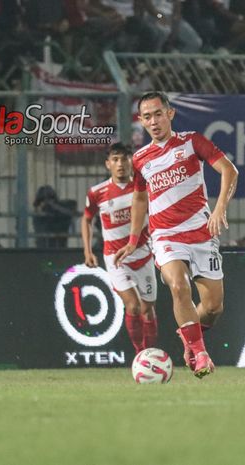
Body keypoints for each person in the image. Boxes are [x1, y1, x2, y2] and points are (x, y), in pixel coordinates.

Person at [115, 91, 239, 378]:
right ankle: (200, 352)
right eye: (147, 117)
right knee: (179, 286)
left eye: (158, 114)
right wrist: (134, 239)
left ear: (170, 114)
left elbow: (229, 171)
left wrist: (220, 208)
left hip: (201, 233)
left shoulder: (192, 141)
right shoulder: (140, 159)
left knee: (213, 307)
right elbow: (140, 199)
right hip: (166, 236)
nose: (154, 121)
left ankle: (188, 337)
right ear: (141, 121)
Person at [81, 143, 159, 354]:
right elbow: (86, 219)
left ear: (131, 161)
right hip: (116, 259)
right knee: (132, 306)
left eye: (124, 159)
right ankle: (139, 354)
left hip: (143, 255)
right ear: (108, 164)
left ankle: (150, 354)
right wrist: (88, 251)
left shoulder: (143, 188)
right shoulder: (97, 192)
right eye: (115, 159)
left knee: (148, 309)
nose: (120, 164)